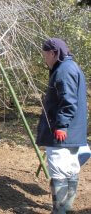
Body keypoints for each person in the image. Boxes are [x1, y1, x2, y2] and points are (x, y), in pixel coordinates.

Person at [36, 38, 89, 214]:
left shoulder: (64, 71)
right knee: (70, 169)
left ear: (53, 53)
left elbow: (68, 102)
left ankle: (59, 211)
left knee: (59, 170)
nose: (45, 59)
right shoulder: (70, 67)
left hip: (62, 133)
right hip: (73, 132)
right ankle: (65, 208)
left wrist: (61, 125)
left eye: (45, 55)